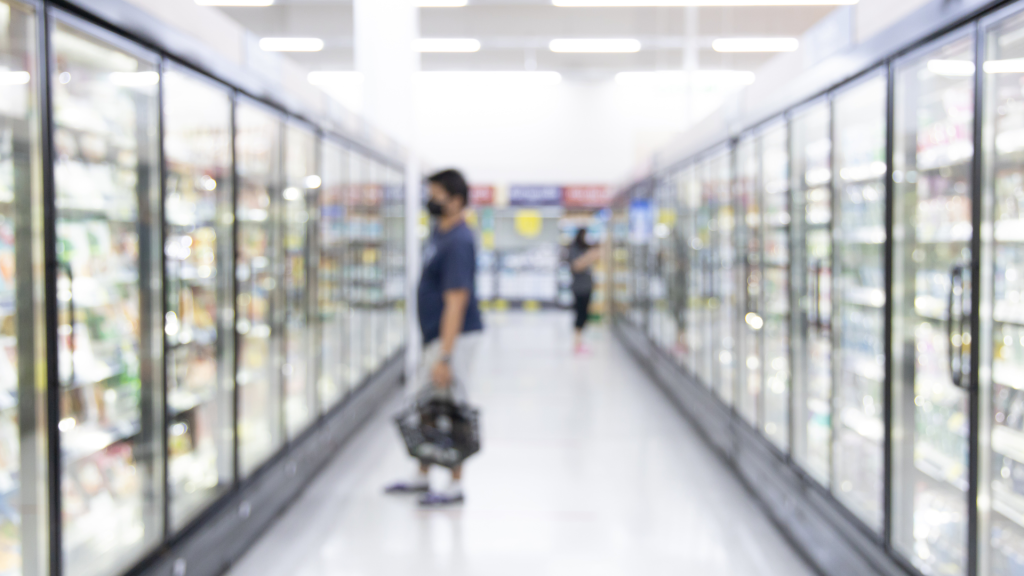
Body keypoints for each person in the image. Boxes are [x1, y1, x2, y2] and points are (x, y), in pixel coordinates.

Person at [385, 168, 483, 506]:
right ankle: (423, 475)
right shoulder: (440, 233)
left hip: (452, 340)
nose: (430, 200)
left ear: (456, 201)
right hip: (436, 338)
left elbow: (457, 300)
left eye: (436, 194)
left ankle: (455, 485)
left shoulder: (459, 241)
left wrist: (444, 355)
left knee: (452, 407)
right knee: (427, 404)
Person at [568, 228, 601, 354]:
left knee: (585, 315)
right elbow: (576, 266)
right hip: (579, 288)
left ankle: (580, 342)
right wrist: (590, 257)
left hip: (587, 287)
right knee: (580, 314)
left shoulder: (585, 249)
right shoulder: (575, 249)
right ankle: (577, 343)